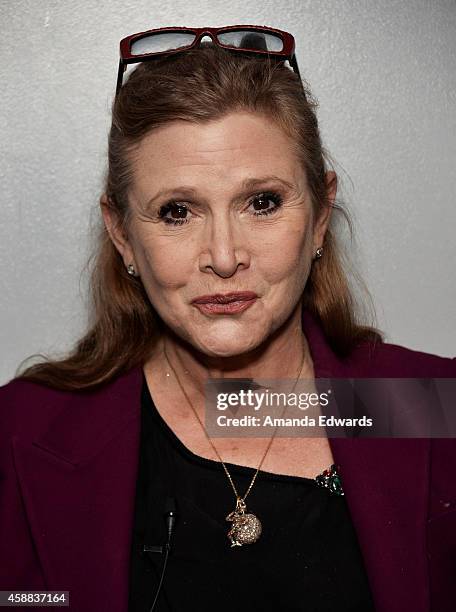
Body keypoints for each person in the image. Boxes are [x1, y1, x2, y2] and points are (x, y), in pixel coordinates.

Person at [0, 25, 455, 612]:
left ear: (319, 216)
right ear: (122, 234)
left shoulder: (425, 407)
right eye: (177, 211)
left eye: (262, 202)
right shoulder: (20, 432)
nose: (222, 256)